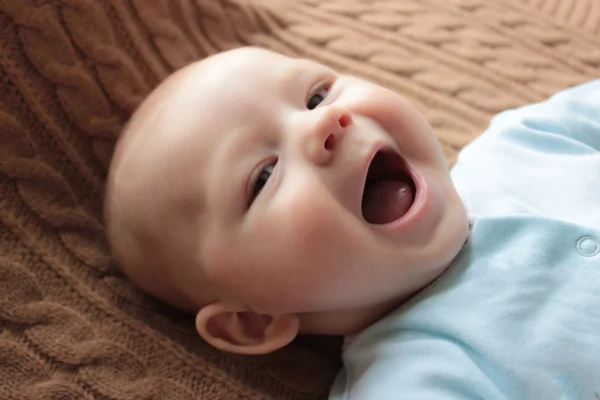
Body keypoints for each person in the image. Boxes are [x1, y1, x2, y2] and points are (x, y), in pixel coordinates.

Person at [104, 47, 600, 399]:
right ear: (251, 320)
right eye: (265, 176)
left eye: (317, 96)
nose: (324, 122)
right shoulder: (418, 380)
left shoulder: (526, 140)